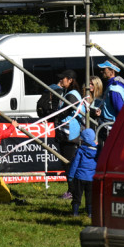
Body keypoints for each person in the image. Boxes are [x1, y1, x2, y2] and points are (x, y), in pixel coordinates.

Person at [52, 70, 84, 200]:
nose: (60, 81)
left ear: (70, 80)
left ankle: (73, 191)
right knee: (67, 163)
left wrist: (55, 115)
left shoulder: (72, 95)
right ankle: (72, 190)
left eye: (63, 79)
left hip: (70, 135)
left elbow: (65, 112)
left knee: (69, 163)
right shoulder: (68, 93)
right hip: (65, 133)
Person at [67, 127, 98, 216]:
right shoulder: (97, 151)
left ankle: (75, 213)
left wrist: (70, 176)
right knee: (89, 197)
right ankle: (90, 213)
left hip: (79, 177)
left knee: (77, 196)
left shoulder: (80, 150)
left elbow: (74, 164)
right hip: (91, 178)